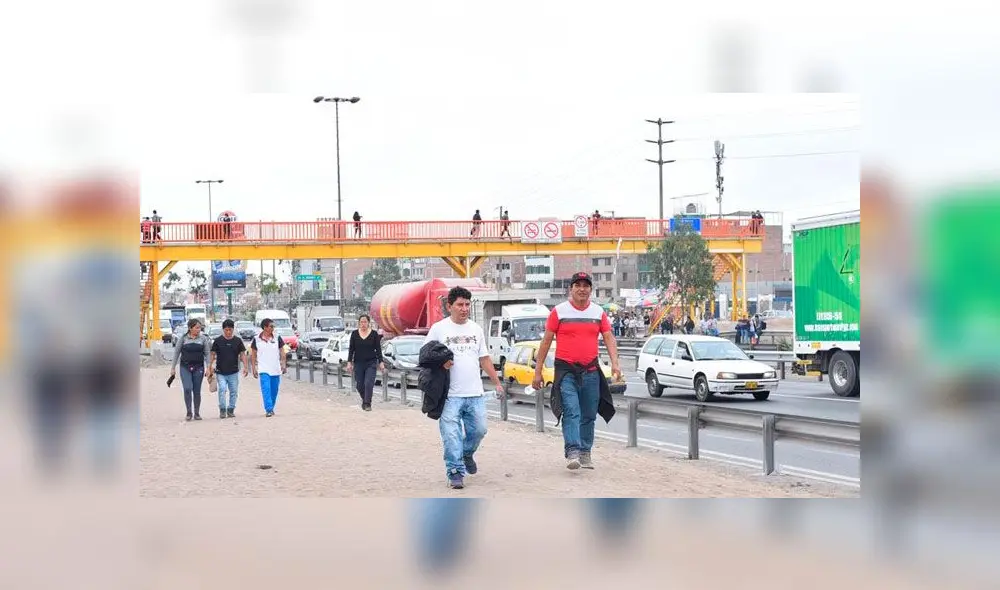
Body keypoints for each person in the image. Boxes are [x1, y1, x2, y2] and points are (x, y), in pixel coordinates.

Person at [533, 272, 622, 470]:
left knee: (589, 414)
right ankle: (572, 451)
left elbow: (609, 338)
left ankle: (585, 452)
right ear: (571, 289)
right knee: (571, 411)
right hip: (566, 371)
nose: (582, 289)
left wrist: (615, 363)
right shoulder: (558, 312)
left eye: (586, 285)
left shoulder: (598, 312)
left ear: (591, 289)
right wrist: (537, 371)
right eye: (578, 285)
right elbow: (546, 341)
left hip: (591, 371)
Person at [424, 286, 505, 490]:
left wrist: (497, 382)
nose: (464, 308)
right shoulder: (439, 329)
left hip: (475, 393)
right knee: (451, 436)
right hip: (449, 396)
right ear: (449, 306)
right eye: (460, 304)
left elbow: (484, 358)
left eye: (467, 304)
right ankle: (455, 471)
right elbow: (425, 356)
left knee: (479, 430)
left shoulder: (476, 329)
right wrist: (441, 363)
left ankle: (467, 453)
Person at [171, 318, 213, 421]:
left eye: (200, 328)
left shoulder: (203, 339)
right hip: (185, 367)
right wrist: (173, 368)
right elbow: (176, 353)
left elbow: (207, 353)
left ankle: (197, 413)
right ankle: (189, 412)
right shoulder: (183, 338)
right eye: (197, 328)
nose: (199, 330)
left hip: (198, 368)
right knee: (187, 388)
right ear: (190, 328)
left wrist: (208, 367)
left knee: (197, 391)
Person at [211, 318, 249, 419]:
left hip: (233, 372)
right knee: (222, 389)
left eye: (230, 330)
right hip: (220, 372)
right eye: (226, 330)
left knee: (234, 392)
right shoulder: (218, 341)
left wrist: (246, 367)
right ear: (223, 330)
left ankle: (231, 409)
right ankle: (222, 409)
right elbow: (212, 354)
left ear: (233, 329)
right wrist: (210, 367)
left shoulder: (238, 341)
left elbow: (242, 355)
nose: (228, 332)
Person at [347, 314, 385, 411]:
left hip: (371, 363)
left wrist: (381, 362)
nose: (363, 324)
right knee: (359, 385)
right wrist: (349, 362)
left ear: (368, 323)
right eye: (361, 322)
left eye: (365, 322)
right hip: (358, 363)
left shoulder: (374, 334)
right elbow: (351, 349)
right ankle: (365, 400)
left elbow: (378, 349)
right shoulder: (354, 334)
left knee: (368, 383)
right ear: (359, 323)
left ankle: (367, 404)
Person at [250, 318, 287, 417]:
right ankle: (269, 409)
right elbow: (253, 355)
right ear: (265, 327)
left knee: (274, 391)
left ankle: (271, 407)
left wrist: (283, 364)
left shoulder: (277, 338)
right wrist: (253, 368)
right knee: (266, 389)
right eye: (271, 326)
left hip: (275, 368)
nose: (273, 328)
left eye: (273, 326)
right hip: (263, 369)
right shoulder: (256, 339)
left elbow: (282, 352)